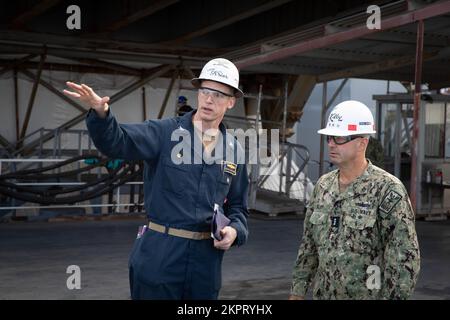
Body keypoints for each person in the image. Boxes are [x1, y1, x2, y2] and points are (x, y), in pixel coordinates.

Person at [63, 58, 249, 300]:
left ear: (231, 102)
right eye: (204, 90)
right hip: (160, 254)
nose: (209, 99)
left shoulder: (234, 151)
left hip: (206, 263)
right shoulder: (164, 133)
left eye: (218, 94)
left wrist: (234, 231)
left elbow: (238, 208)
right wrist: (101, 112)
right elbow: (118, 142)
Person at [289, 100, 420, 300]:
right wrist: (297, 292)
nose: (331, 143)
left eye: (339, 138)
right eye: (329, 137)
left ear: (362, 142)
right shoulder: (323, 186)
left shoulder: (387, 189)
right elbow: (308, 247)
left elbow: (404, 261)